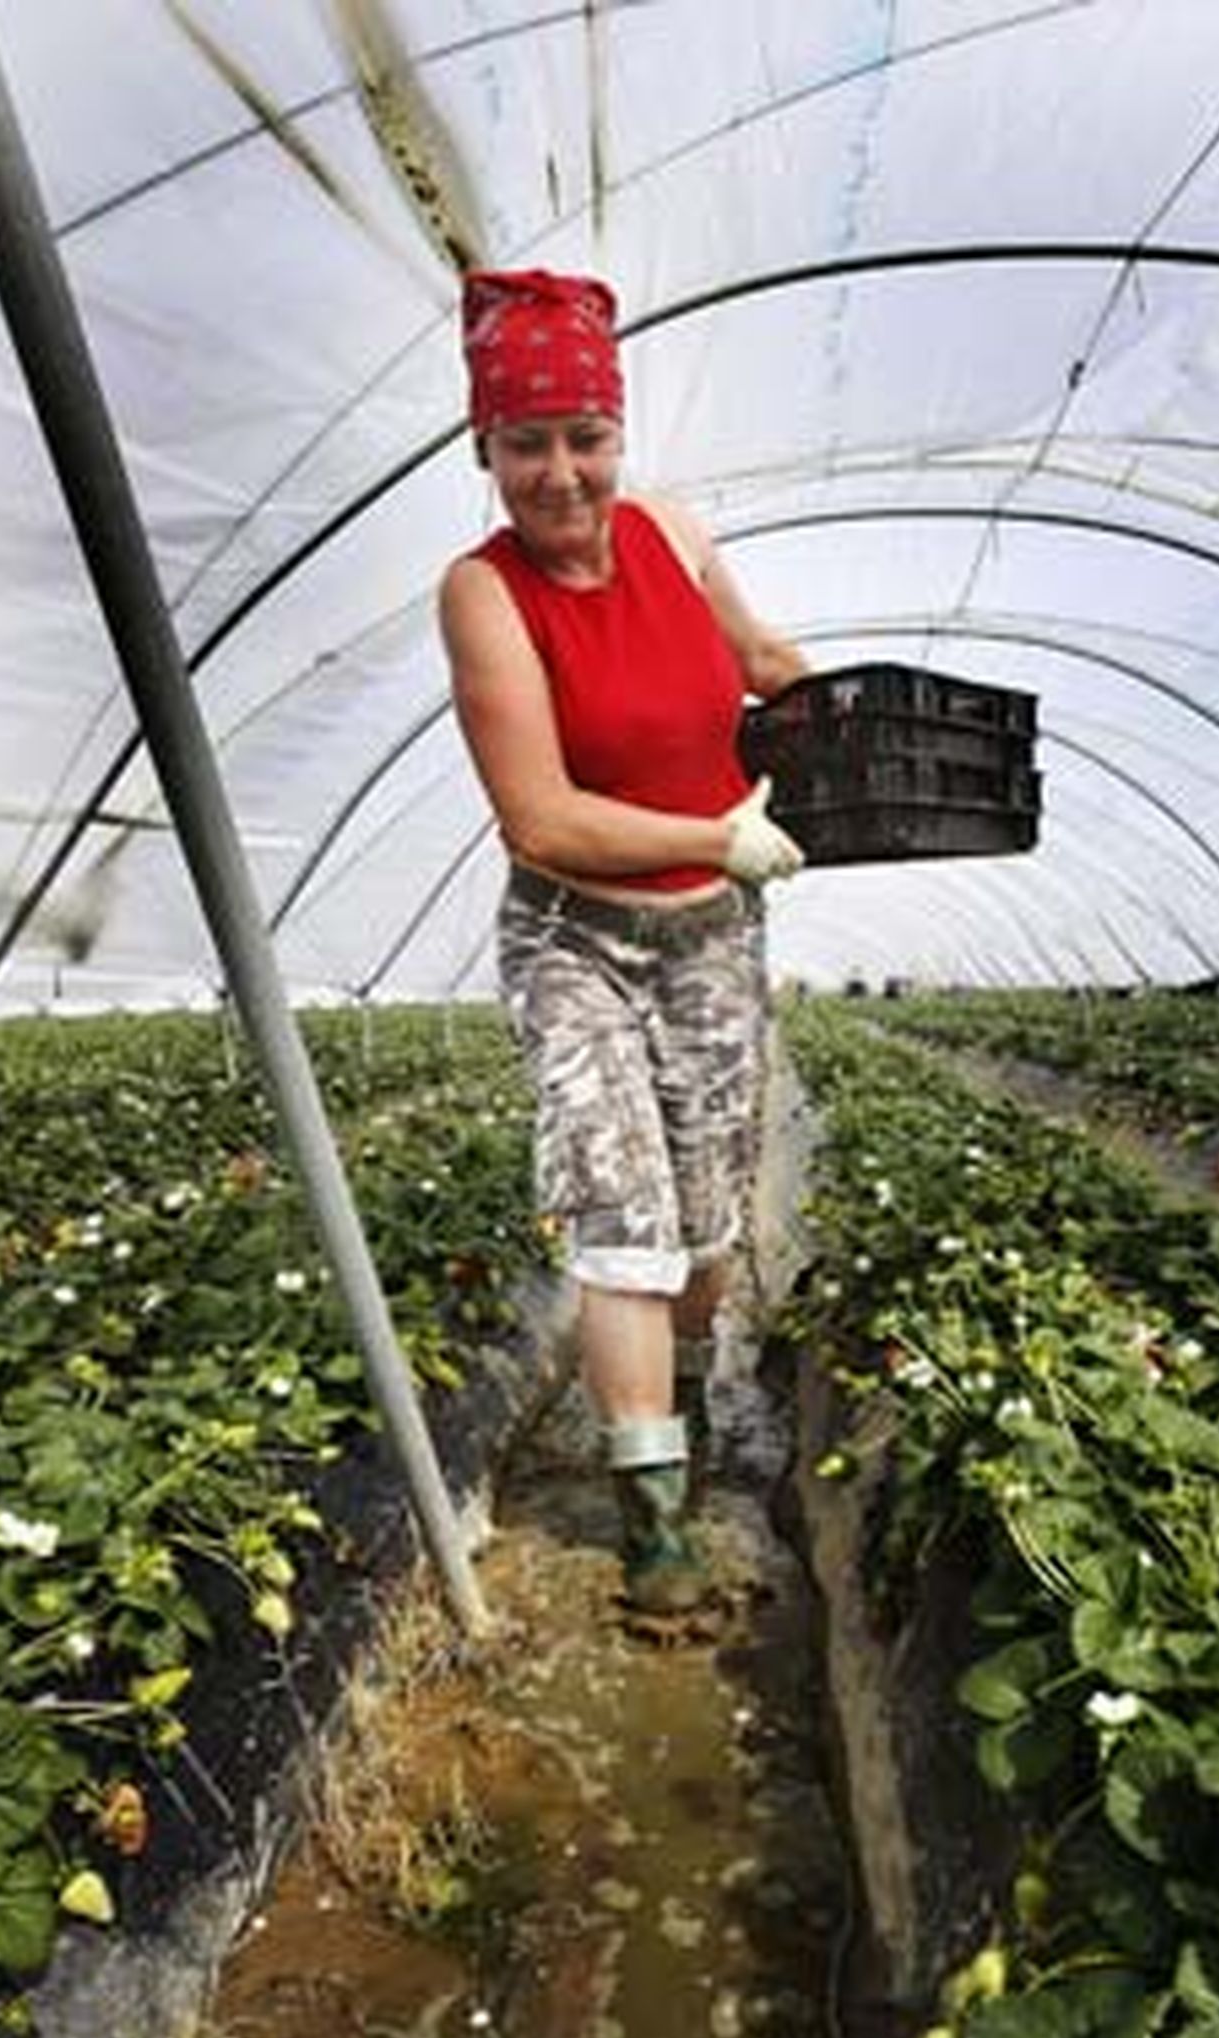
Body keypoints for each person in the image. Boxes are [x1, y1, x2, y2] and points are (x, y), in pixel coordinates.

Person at [437, 267, 809, 1624]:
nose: (560, 475)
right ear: (485, 449)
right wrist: (719, 835)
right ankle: (653, 1529)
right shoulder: (483, 594)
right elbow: (538, 818)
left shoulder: (671, 530)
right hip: (575, 938)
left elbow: (760, 654)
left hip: (709, 937)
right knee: (619, 1208)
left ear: (619, 435)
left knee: (706, 1218)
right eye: (524, 443)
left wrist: (838, 710)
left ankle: (697, 1408)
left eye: (582, 437)